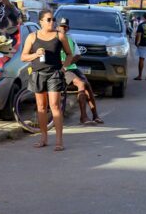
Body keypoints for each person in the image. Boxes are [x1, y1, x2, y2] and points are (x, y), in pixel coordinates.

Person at [21, 10, 73, 151]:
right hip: (38, 73)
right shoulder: (32, 37)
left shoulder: (60, 35)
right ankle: (43, 138)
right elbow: (23, 57)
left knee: (55, 106)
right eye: (49, 19)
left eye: (53, 19)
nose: (52, 22)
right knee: (41, 107)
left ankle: (59, 140)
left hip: (54, 74)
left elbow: (69, 54)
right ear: (41, 21)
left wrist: (63, 68)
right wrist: (35, 54)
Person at [58, 18, 103, 124]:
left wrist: (68, 63)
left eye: (65, 27)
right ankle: (83, 117)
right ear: (57, 27)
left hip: (71, 67)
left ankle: (95, 115)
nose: (63, 29)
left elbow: (78, 55)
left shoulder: (70, 38)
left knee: (88, 85)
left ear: (68, 28)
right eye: (61, 26)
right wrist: (64, 66)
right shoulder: (55, 39)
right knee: (81, 84)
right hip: (62, 70)